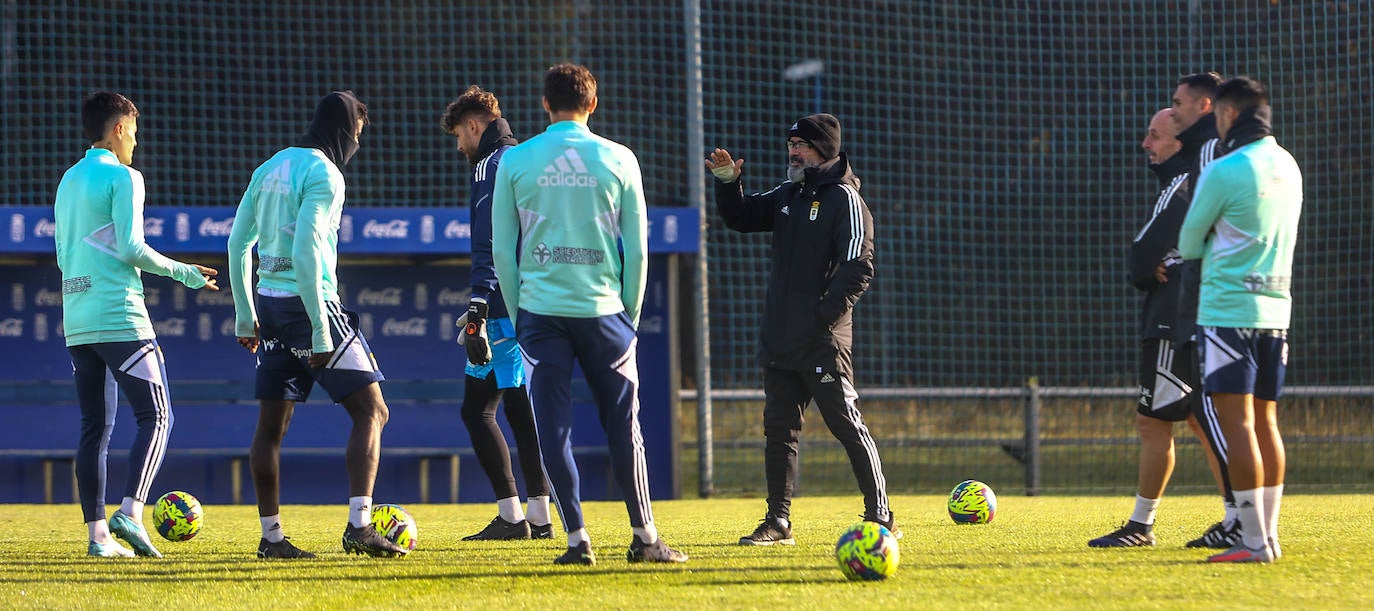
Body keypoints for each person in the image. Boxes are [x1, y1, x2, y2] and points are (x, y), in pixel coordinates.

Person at [491, 63, 687, 565]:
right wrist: (631, 317)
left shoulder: (514, 161)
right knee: (625, 426)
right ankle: (645, 538)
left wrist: (519, 315)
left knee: (552, 430)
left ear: (544, 104)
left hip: (539, 313)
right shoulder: (620, 158)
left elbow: (501, 252)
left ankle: (578, 542)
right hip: (606, 314)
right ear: (592, 104)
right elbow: (638, 251)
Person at [227, 90, 406, 559]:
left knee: (271, 425)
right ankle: (359, 527)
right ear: (345, 129)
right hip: (312, 307)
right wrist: (323, 332)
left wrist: (246, 315)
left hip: (268, 306)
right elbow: (306, 251)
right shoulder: (326, 174)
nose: (357, 145)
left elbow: (236, 245)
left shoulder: (268, 167)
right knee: (373, 411)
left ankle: (271, 539)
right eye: (358, 134)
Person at [706, 113, 897, 546]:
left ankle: (881, 516)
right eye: (791, 144)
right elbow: (742, 216)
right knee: (779, 431)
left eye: (803, 145)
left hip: (821, 341)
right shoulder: (790, 193)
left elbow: (859, 267)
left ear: (824, 149)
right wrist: (726, 183)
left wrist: (820, 318)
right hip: (780, 340)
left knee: (846, 423)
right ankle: (778, 522)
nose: (793, 151)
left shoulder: (845, 198)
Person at [53, 91, 219, 558]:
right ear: (120, 129)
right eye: (135, 134)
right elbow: (130, 248)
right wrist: (185, 272)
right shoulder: (125, 177)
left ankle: (98, 538)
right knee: (157, 415)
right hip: (120, 316)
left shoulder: (68, 180)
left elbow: (65, 255)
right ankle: (131, 511)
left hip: (78, 317)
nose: (136, 144)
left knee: (94, 429)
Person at [1087, 108, 1229, 547]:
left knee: (1188, 420)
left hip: (1171, 319)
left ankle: (1230, 516)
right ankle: (1150, 523)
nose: (1146, 144)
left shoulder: (1182, 182)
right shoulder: (1196, 180)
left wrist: (1154, 266)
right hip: (1176, 315)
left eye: (1154, 135)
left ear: (1180, 142)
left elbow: (1141, 256)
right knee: (1175, 420)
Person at [1179, 76, 1302, 563]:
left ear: (1227, 115)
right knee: (1268, 423)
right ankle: (1268, 537)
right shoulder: (1289, 165)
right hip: (1277, 309)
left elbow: (1189, 243)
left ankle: (1253, 543)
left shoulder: (1226, 169)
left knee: (1238, 427)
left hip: (1228, 311)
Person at [439, 85, 553, 540]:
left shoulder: (490, 164)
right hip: (537, 301)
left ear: (472, 124)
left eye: (458, 137)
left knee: (478, 411)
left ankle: (513, 516)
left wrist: (477, 306)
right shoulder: (528, 157)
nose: (460, 147)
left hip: (501, 306)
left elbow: (489, 239)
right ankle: (540, 517)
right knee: (520, 409)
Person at [1170, 71, 1245, 549]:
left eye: (1177, 101)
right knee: (1220, 410)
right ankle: (1240, 515)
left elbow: (1208, 226)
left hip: (1215, 300)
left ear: (1204, 106)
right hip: (1216, 296)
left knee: (1217, 409)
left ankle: (1241, 517)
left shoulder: (1210, 151)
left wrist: (1182, 255)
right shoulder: (1206, 151)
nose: (1171, 108)